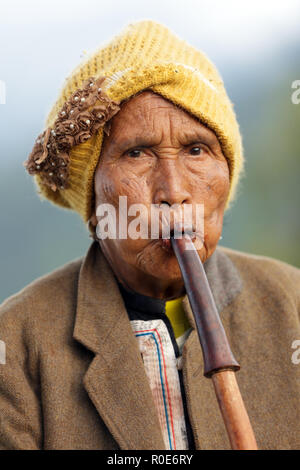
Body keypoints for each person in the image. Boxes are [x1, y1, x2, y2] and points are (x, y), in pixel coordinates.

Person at [0, 20, 299, 450]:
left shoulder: (292, 305)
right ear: (93, 200)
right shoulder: (18, 346)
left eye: (197, 150)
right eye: (137, 153)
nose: (174, 192)